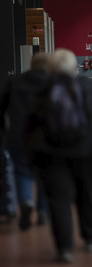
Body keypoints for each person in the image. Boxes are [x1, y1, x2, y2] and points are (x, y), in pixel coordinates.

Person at [30, 49, 92, 263]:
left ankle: (64, 248)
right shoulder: (88, 86)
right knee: (87, 194)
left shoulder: (41, 90)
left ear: (50, 69)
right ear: (75, 68)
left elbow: (28, 126)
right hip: (89, 151)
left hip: (51, 155)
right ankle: (91, 236)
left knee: (59, 200)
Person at [0, 53, 50, 230]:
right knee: (45, 173)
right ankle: (43, 211)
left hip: (18, 136)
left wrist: (5, 131)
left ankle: (26, 202)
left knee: (22, 172)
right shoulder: (53, 83)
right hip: (46, 137)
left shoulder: (15, 82)